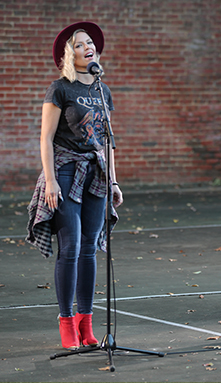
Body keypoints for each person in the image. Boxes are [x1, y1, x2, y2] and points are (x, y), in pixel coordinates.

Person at [26, 22, 123, 349]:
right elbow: (46, 137)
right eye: (80, 44)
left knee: (89, 248)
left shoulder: (102, 90)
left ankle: (86, 322)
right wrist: (50, 180)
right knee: (70, 248)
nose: (88, 46)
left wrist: (113, 180)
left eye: (90, 42)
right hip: (66, 171)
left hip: (96, 174)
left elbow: (107, 140)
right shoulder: (60, 89)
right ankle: (66, 322)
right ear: (70, 54)